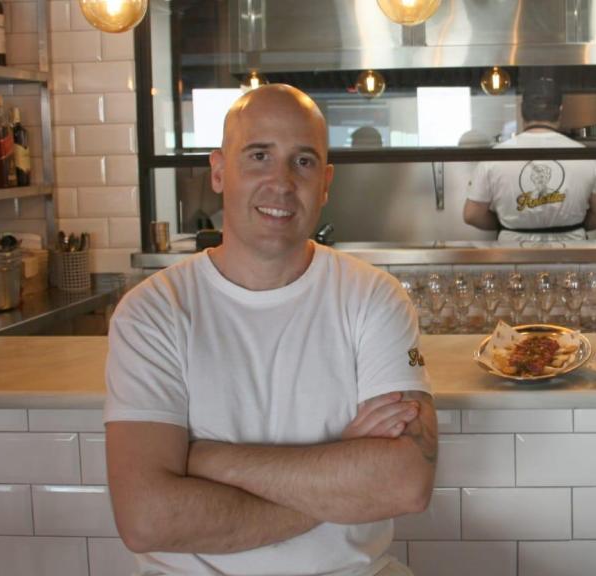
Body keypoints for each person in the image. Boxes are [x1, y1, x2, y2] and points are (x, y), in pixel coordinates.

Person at [104, 84, 437, 576]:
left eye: (302, 162)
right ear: (219, 171)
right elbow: (147, 519)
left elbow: (406, 482)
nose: (281, 182)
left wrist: (210, 461)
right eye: (259, 156)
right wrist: (341, 480)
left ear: (324, 182)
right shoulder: (153, 312)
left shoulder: (373, 297)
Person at [463, 79, 596, 242]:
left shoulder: (494, 157)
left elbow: (472, 214)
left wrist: (507, 225)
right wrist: (574, 226)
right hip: (572, 253)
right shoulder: (585, 155)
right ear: (560, 110)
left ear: (522, 110)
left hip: (513, 254)